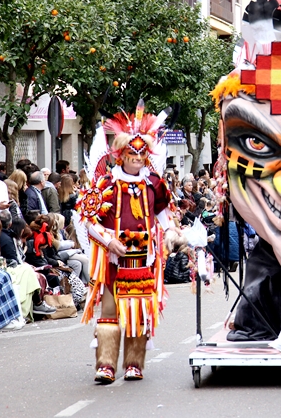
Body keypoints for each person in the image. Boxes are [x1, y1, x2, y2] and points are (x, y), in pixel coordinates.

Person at [78, 101, 176, 384]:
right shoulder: (107, 184)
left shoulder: (153, 183)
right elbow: (88, 219)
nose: (137, 157)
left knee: (138, 310)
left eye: (142, 152)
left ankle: (134, 363)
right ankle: (106, 365)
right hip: (113, 257)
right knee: (109, 310)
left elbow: (162, 214)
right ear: (120, 154)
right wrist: (108, 242)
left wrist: (171, 232)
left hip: (143, 256)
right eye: (132, 153)